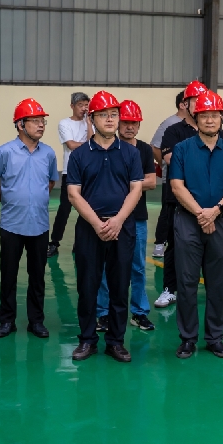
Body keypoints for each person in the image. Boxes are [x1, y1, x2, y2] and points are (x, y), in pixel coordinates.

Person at [67, 91, 144, 363]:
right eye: (103, 115)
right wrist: (97, 223)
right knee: (87, 286)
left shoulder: (131, 153)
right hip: (90, 229)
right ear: (92, 119)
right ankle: (87, 340)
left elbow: (136, 190)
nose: (110, 119)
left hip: (122, 228)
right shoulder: (79, 155)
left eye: (114, 114)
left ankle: (116, 342)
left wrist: (118, 220)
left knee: (120, 286)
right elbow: (73, 194)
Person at [169, 92, 223, 359]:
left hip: (220, 222)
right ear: (195, 118)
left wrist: (216, 211)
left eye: (214, 115)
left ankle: (214, 338)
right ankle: (188, 338)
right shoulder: (182, 149)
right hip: (188, 221)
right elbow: (177, 186)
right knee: (186, 282)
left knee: (218, 283)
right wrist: (202, 214)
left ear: (221, 118)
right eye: (204, 115)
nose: (210, 120)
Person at [156, 80, 223, 310]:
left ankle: (218, 291)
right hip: (179, 200)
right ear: (186, 104)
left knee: (216, 251)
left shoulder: (219, 133)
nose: (202, 105)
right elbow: (171, 161)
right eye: (196, 101)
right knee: (175, 247)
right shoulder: (173, 131)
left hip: (213, 203)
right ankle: (170, 289)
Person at [0, 98, 58, 338]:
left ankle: (36, 321)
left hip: (39, 225)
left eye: (42, 121)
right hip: (12, 225)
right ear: (20, 124)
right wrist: (9, 200)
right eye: (35, 121)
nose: (41, 125)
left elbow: (50, 182)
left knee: (37, 277)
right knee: (9, 275)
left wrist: (34, 199)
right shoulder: (4, 152)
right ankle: (7, 321)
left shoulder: (48, 153)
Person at [96, 100, 157, 332]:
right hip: (107, 217)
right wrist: (134, 184)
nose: (130, 127)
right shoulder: (108, 147)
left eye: (135, 123)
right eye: (127, 122)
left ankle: (139, 312)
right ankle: (103, 313)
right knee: (105, 266)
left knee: (138, 266)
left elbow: (152, 181)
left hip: (137, 217)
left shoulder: (144, 150)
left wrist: (129, 184)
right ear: (118, 122)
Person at [47, 92, 90, 258]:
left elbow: (93, 141)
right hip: (70, 171)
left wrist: (89, 123)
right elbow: (71, 145)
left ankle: (80, 243)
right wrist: (89, 144)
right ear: (72, 106)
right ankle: (54, 242)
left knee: (86, 208)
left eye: (86, 105)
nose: (84, 108)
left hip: (89, 172)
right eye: (80, 105)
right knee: (65, 208)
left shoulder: (90, 123)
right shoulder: (64, 123)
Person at [150, 91, 188, 257]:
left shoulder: (195, 124)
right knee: (168, 209)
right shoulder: (170, 124)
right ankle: (160, 243)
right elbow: (155, 147)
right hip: (171, 176)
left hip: (189, 178)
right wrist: (164, 164)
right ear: (182, 104)